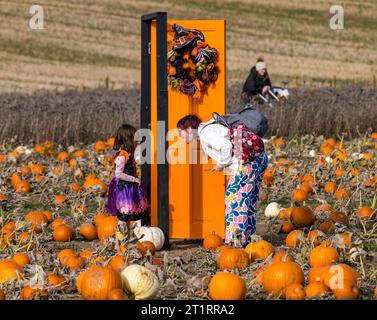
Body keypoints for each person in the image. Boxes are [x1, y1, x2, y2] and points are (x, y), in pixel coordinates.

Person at [177, 114, 269, 247]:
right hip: (258, 158)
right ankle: (248, 236)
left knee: (234, 200)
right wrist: (221, 164)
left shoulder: (206, 134)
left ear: (189, 129)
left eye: (181, 133)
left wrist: (221, 164)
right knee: (249, 199)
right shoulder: (212, 126)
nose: (182, 138)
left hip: (245, 163)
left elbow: (226, 146)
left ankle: (235, 241)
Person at [105, 124, 149, 232]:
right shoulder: (121, 156)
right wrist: (135, 179)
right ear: (128, 140)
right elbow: (118, 174)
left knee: (132, 212)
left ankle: (131, 236)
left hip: (130, 188)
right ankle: (120, 240)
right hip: (123, 189)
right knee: (124, 214)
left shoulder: (130, 154)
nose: (136, 141)